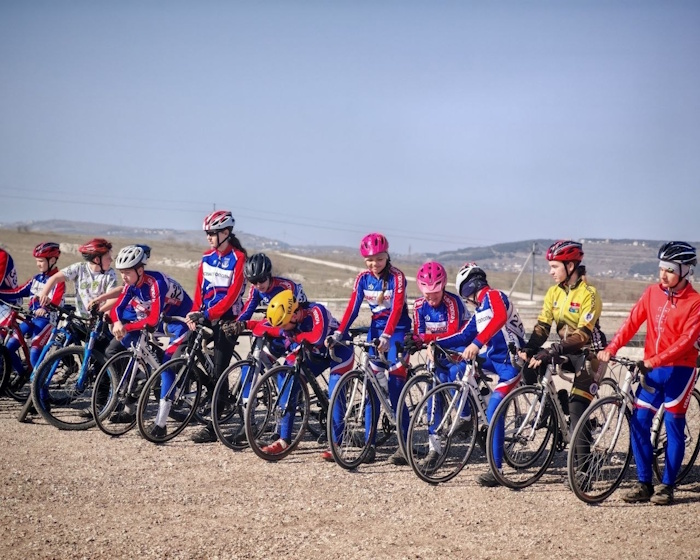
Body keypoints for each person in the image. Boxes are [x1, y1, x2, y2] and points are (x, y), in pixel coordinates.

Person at [598, 241, 700, 505]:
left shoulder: (695, 303)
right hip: (652, 369)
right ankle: (644, 483)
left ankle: (667, 486)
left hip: (680, 370)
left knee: (673, 425)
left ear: (685, 270)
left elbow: (685, 342)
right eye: (661, 268)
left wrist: (654, 360)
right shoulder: (652, 293)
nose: (663, 275)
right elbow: (631, 322)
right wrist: (611, 347)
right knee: (640, 421)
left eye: (670, 270)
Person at [518, 240, 606, 485]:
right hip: (566, 351)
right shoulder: (554, 292)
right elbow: (542, 326)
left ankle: (585, 471)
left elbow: (583, 335)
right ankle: (552, 410)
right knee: (529, 365)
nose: (550, 271)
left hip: (590, 355)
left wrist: (553, 350)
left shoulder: (589, 294)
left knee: (578, 408)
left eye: (554, 266)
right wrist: (529, 349)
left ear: (570, 266)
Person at [432, 263, 525, 486]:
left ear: (468, 289)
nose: (466, 300)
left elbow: (499, 317)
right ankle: (469, 415)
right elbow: (464, 336)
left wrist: (477, 343)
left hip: (511, 363)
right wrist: (435, 342)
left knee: (495, 410)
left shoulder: (494, 296)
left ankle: (497, 470)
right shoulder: (480, 310)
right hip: (493, 359)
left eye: (465, 296)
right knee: (458, 369)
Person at [329, 232, 412, 464]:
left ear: (387, 256)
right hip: (375, 331)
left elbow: (396, 309)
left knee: (396, 389)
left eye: (379, 259)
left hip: (397, 332)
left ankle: (405, 445)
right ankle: (369, 444)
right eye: (370, 260)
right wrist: (339, 333)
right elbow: (352, 308)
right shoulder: (362, 279)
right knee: (370, 390)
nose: (375, 264)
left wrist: (387, 335)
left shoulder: (397, 277)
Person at [255, 289, 354, 457]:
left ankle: (337, 443)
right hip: (314, 353)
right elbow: (267, 327)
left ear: (294, 315)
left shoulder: (316, 311)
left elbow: (317, 338)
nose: (283, 329)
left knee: (335, 392)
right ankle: (283, 440)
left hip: (338, 351)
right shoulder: (288, 319)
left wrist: (293, 337)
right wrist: (246, 325)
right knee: (287, 382)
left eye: (284, 324)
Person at [107, 245, 193, 427]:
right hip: (163, 320)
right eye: (121, 272)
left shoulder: (156, 283)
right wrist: (117, 322)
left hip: (180, 321)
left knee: (167, 367)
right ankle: (139, 390)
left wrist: (126, 327)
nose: (123, 277)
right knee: (129, 343)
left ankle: (160, 425)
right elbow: (117, 308)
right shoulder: (131, 284)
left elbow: (153, 320)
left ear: (140, 270)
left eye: (127, 272)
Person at [186, 210, 247, 443]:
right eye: (207, 233)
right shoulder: (206, 257)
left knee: (220, 371)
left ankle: (213, 426)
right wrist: (194, 313)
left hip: (229, 319)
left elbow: (231, 296)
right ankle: (212, 390)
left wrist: (207, 314)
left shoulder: (239, 258)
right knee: (189, 350)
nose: (208, 237)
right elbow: (199, 290)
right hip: (206, 315)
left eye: (212, 233)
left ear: (226, 233)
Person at [0, 243, 66, 372]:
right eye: (37, 261)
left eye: (41, 261)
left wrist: (45, 309)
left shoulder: (58, 280)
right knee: (8, 349)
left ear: (52, 260)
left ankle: (39, 385)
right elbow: (18, 292)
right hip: (31, 319)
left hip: (47, 321)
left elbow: (56, 300)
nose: (38, 264)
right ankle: (22, 375)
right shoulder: (36, 278)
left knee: (35, 352)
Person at [39, 237, 118, 319]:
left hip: (99, 320)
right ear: (97, 260)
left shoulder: (110, 274)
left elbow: (111, 298)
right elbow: (55, 278)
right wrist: (44, 294)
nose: (111, 260)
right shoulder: (80, 268)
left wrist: (102, 313)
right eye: (108, 258)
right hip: (79, 318)